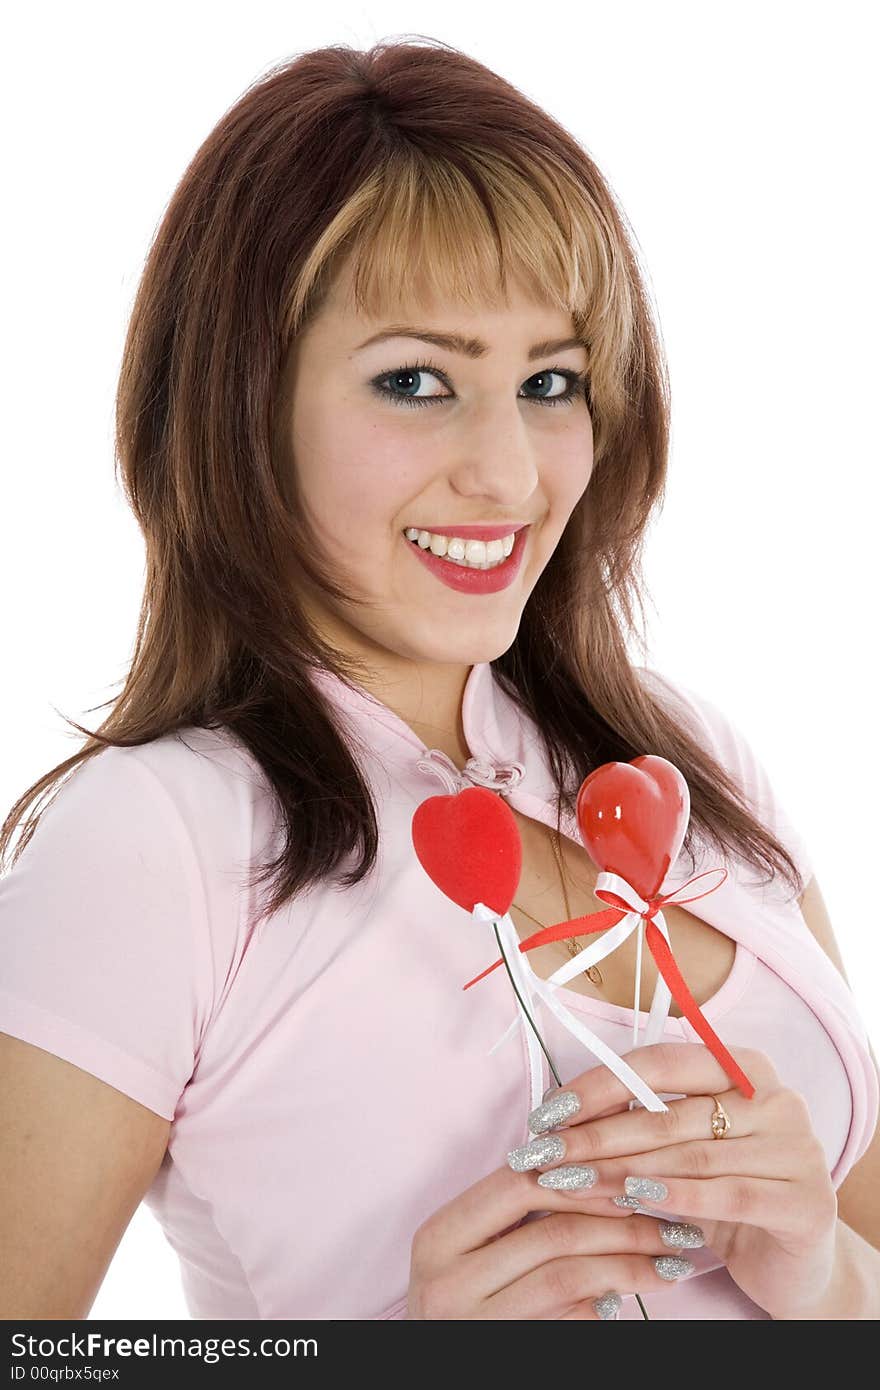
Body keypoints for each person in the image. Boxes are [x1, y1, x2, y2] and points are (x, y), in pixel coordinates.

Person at [1, 37, 878, 1323]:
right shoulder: (154, 842)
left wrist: (828, 1279)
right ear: (241, 406)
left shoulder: (685, 759)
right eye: (415, 380)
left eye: (549, 382)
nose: (511, 474)